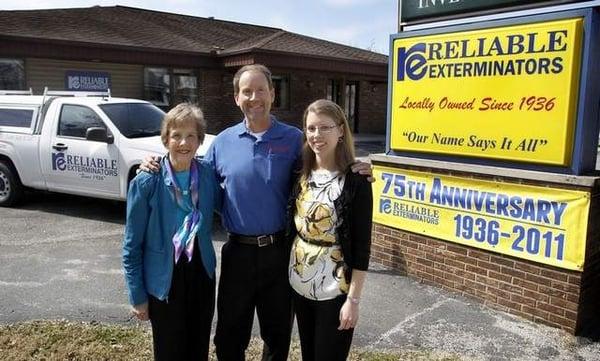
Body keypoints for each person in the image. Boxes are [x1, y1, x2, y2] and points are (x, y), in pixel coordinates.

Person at [140, 64, 372, 361]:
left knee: (277, 338)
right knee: (229, 336)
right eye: (246, 91)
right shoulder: (221, 143)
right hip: (237, 252)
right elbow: (190, 170)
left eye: (261, 90)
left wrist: (357, 167)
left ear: (272, 94)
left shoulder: (293, 139)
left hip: (280, 254)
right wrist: (157, 163)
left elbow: (325, 160)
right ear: (236, 97)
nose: (254, 97)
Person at [122, 103, 221, 361]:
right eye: (176, 135)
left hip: (201, 272)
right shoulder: (147, 181)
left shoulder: (208, 175)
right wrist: (137, 295)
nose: (183, 142)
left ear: (200, 140)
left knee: (198, 347)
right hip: (165, 278)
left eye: (191, 135)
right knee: (169, 351)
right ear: (166, 139)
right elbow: (132, 245)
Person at [287, 99, 372, 361]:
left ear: (340, 131)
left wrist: (353, 302)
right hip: (299, 281)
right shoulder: (299, 172)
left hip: (335, 288)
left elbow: (361, 248)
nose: (316, 135)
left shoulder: (356, 181)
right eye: (311, 128)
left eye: (325, 128)